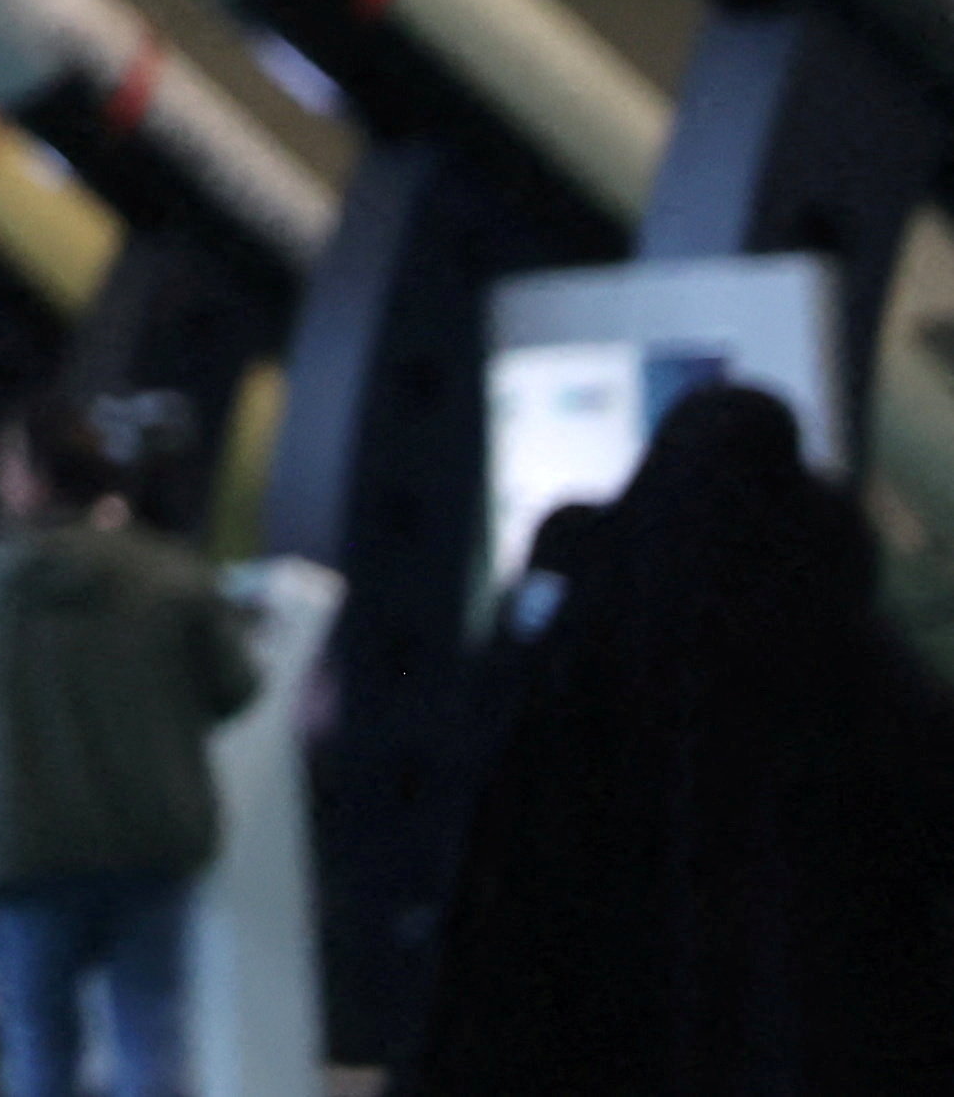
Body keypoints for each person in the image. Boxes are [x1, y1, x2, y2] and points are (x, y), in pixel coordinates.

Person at [403, 381, 954, 1097]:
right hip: (807, 1015)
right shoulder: (840, 658)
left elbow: (498, 818)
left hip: (599, 1010)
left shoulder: (589, 647)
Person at [0, 401, 257, 1097]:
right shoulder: (170, 574)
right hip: (153, 834)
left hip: (30, 842)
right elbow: (234, 688)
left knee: (37, 1047)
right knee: (152, 1035)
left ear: (32, 477)